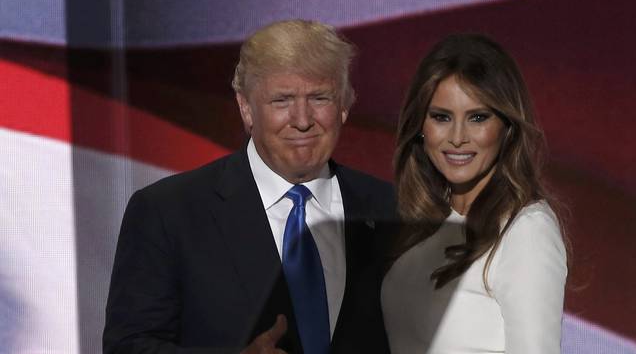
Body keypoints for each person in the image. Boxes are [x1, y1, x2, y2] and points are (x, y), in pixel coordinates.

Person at [103, 19, 394, 354]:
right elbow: (127, 347)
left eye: (319, 97)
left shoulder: (390, 209)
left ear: (344, 105)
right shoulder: (168, 212)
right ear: (246, 108)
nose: (302, 120)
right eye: (282, 100)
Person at [381, 34, 568, 353]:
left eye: (478, 118)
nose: (457, 138)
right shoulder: (424, 221)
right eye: (441, 117)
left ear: (507, 127)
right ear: (421, 126)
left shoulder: (526, 231)